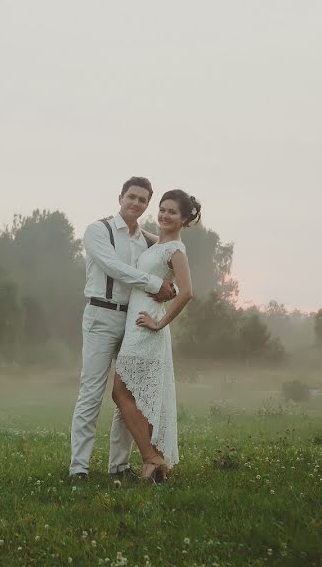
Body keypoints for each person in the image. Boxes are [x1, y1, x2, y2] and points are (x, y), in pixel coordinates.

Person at [68, 176, 176, 480]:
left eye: (143, 200)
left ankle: (120, 465)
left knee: (128, 392)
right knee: (91, 392)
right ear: (120, 197)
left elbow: (170, 258)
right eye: (132, 197)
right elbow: (115, 268)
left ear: (147, 206)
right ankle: (79, 468)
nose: (136, 203)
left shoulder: (147, 239)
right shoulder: (97, 231)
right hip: (101, 317)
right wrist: (157, 284)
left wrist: (173, 288)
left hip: (134, 320)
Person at [112, 189, 199, 482]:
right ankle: (153, 460)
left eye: (173, 212)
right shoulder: (157, 244)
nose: (165, 215)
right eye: (162, 209)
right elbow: (141, 233)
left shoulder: (175, 250)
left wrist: (160, 323)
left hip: (146, 328)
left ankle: (152, 458)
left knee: (121, 392)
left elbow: (186, 292)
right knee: (139, 395)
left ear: (184, 219)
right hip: (137, 325)